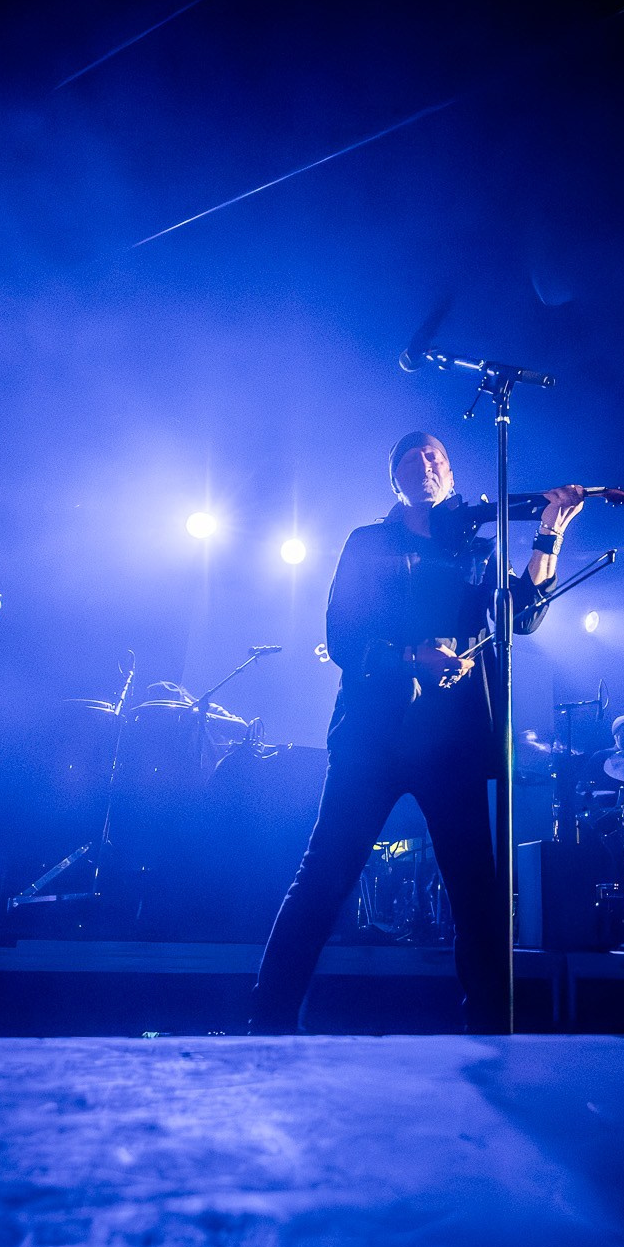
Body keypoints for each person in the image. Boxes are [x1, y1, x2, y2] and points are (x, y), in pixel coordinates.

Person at [250, 432, 584, 1033]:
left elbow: (524, 616)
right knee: (323, 876)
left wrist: (550, 533)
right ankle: (266, 1024)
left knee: (477, 893)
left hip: (451, 742)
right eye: (411, 458)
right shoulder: (368, 543)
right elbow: (344, 639)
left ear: (451, 475)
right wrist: (412, 658)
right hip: (371, 738)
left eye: (435, 457)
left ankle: (488, 1033)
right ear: (395, 479)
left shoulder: (479, 550)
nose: (424, 464)